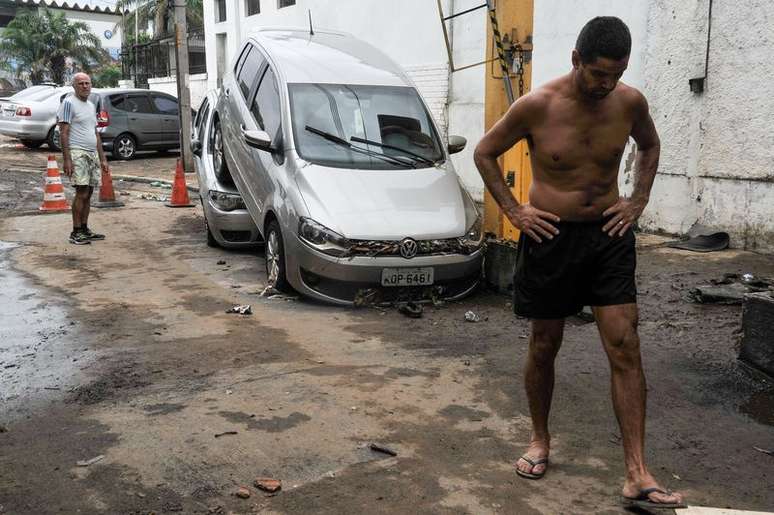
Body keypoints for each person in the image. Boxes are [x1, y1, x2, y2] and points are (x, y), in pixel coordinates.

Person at [473, 17, 685, 510]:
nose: (606, 84)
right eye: (597, 75)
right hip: (551, 237)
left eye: (616, 74)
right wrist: (514, 211)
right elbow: (484, 153)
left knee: (625, 344)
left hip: (609, 236)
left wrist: (638, 200)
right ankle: (540, 440)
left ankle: (636, 471)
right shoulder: (537, 106)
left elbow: (650, 144)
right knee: (545, 342)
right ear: (575, 60)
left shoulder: (629, 102)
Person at [57, 72, 108, 245]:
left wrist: (103, 158)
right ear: (74, 86)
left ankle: (85, 229)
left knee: (90, 192)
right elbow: (63, 132)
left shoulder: (91, 105)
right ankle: (76, 231)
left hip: (92, 153)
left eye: (87, 83)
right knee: (81, 191)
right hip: (77, 152)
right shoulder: (69, 103)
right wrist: (67, 159)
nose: (85, 86)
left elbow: (95, 133)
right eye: (81, 83)